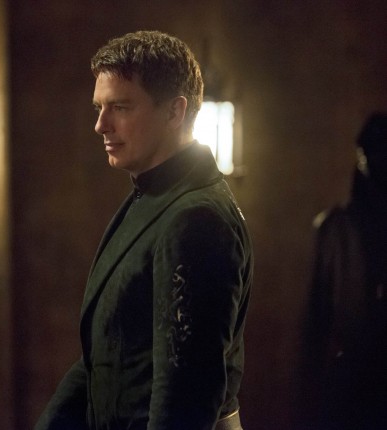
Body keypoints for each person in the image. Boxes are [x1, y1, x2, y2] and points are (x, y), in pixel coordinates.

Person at [35, 31, 253, 430]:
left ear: (174, 112)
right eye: (99, 107)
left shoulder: (196, 218)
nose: (100, 125)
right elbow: (105, 355)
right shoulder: (153, 194)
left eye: (120, 107)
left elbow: (185, 399)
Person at [301, 112, 387, 429]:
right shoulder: (336, 230)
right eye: (372, 154)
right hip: (352, 378)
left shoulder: (337, 228)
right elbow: (317, 319)